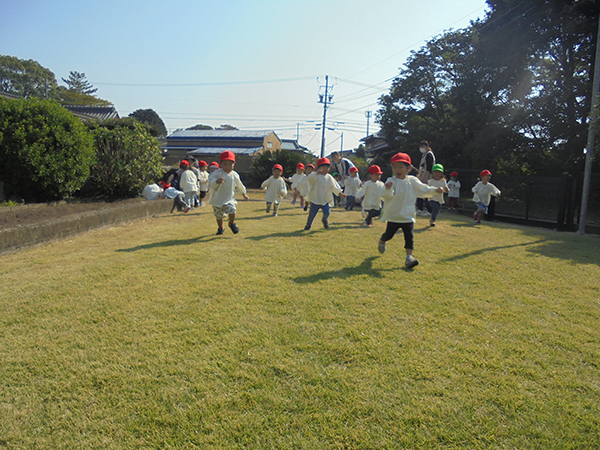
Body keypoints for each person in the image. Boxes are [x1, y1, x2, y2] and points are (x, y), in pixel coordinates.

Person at [378, 152, 443, 269]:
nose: (397, 170)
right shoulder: (391, 180)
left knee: (409, 237)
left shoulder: (412, 181)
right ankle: (382, 241)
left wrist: (434, 190)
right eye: (394, 167)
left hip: (408, 216)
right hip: (394, 216)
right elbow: (385, 195)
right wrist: (387, 189)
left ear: (408, 168)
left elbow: (424, 189)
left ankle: (409, 258)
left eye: (400, 167)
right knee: (389, 234)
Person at [209, 151, 250, 235]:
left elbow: (240, 185)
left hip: (229, 198)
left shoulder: (234, 175)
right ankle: (220, 228)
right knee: (219, 216)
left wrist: (244, 194)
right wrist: (216, 181)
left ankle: (232, 223)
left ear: (234, 164)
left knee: (232, 209)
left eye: (230, 164)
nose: (228, 167)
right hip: (218, 199)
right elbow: (211, 181)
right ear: (221, 164)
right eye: (225, 164)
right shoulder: (217, 173)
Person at [303, 157, 346, 231]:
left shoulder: (329, 177)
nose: (325, 169)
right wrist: (316, 173)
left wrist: (340, 193)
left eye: (327, 168)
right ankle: (308, 225)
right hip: (315, 199)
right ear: (318, 168)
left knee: (327, 212)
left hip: (324, 199)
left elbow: (334, 186)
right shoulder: (314, 175)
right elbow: (309, 179)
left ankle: (324, 220)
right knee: (312, 214)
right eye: (323, 167)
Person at [416, 140, 436, 216]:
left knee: (427, 194)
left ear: (427, 146)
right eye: (420, 146)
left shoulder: (429, 155)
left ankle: (430, 210)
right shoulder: (424, 155)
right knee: (420, 193)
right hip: (422, 176)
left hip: (427, 177)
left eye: (423, 146)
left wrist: (425, 179)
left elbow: (429, 169)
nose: (421, 148)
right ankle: (420, 209)